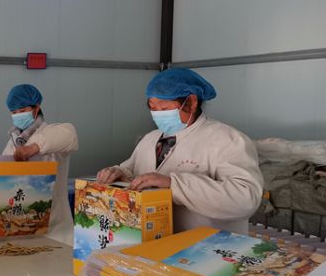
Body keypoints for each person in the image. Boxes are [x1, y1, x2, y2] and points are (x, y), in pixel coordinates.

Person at [96, 68, 263, 234]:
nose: (158, 115)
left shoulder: (228, 140)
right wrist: (120, 173)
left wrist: (174, 185)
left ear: (191, 102)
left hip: (207, 244)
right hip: (154, 240)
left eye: (164, 109)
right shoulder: (150, 138)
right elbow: (132, 170)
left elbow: (245, 199)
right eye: (153, 108)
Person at [3, 84, 78, 245]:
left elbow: (70, 135)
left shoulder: (51, 132)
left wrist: (34, 148)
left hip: (56, 230)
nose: (17, 115)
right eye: (14, 113)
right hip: (21, 229)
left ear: (36, 108)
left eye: (22, 110)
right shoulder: (12, 142)